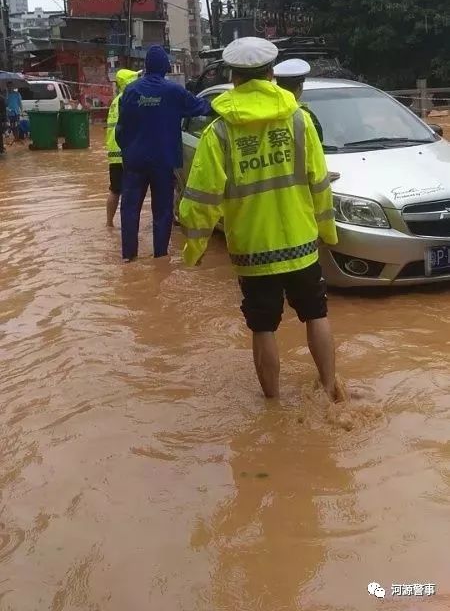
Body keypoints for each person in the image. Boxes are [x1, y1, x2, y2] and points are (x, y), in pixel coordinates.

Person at [179, 36, 341, 402]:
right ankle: (331, 388)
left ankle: (273, 408)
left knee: (263, 326)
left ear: (234, 78)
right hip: (302, 243)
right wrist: (327, 232)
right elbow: (320, 183)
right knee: (316, 314)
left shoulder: (219, 131)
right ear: (271, 74)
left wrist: (195, 246)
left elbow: (201, 198)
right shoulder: (299, 121)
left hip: (253, 250)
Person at [116, 44, 211, 261]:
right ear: (166, 67)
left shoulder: (131, 91)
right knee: (163, 211)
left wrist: (128, 151)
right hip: (163, 161)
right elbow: (202, 107)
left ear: (146, 66)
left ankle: (128, 258)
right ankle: (160, 256)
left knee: (130, 210)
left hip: (134, 162)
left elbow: (121, 129)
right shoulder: (174, 92)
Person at [274, 58, 340, 183]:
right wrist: (321, 176)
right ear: (300, 86)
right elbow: (314, 156)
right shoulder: (303, 117)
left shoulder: (254, 113)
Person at [105, 68, 139, 228]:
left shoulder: (115, 101)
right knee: (130, 192)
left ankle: (109, 223)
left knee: (115, 190)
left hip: (114, 154)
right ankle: (128, 225)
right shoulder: (128, 99)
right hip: (126, 153)